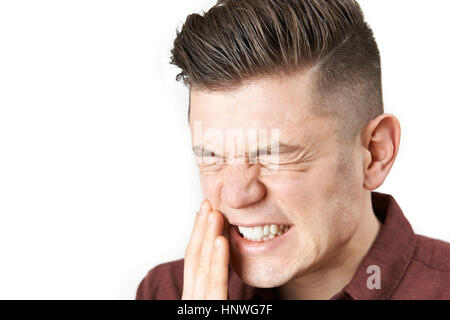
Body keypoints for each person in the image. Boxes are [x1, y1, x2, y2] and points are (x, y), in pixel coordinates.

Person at [136, 0, 450, 300]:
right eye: (212, 157)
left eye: (273, 155)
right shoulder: (166, 291)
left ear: (375, 153)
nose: (235, 196)